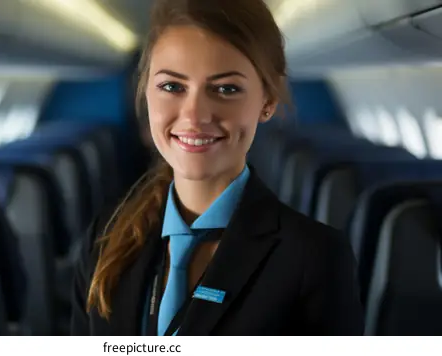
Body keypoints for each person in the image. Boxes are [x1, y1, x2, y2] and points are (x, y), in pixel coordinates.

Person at [71, 0, 364, 336]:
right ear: (146, 94)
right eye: (172, 87)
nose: (195, 116)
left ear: (266, 101)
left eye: (226, 89)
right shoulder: (103, 240)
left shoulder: (315, 258)